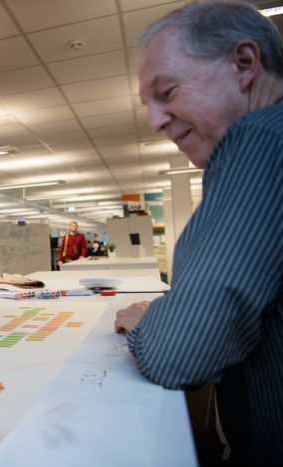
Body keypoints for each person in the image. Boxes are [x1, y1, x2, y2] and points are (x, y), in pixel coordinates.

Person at [113, 2, 283, 464]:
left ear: (244, 63)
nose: (155, 120)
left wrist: (151, 321)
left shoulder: (258, 144)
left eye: (166, 92)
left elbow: (178, 353)